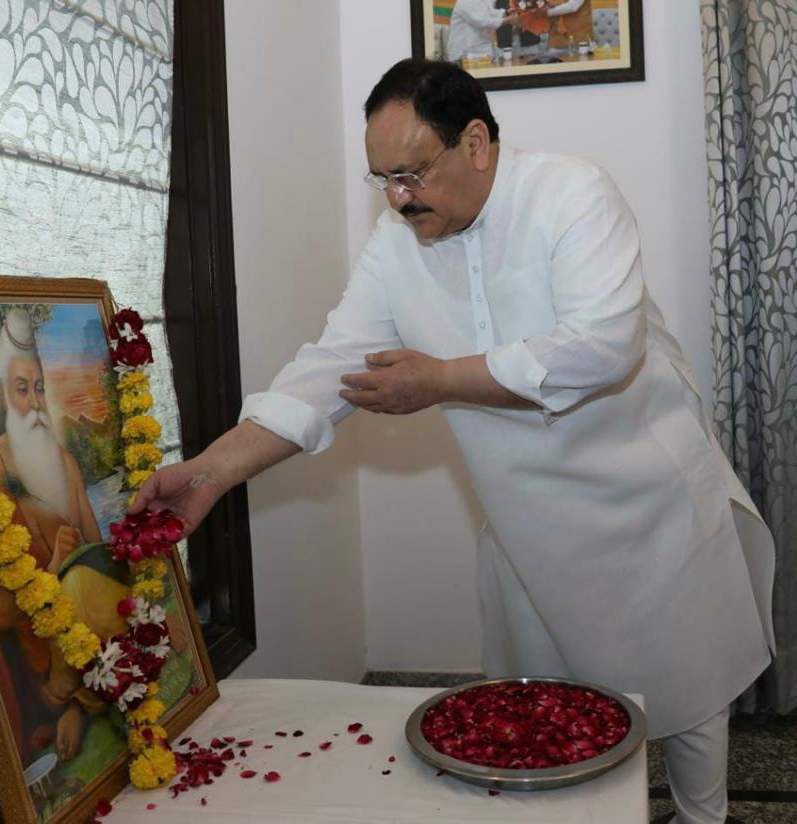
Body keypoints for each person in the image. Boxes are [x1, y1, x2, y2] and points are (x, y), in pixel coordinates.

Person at [130, 60, 775, 824]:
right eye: (383, 180)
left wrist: (439, 380)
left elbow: (603, 348)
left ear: (475, 142)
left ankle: (706, 817)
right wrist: (211, 469)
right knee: (537, 716)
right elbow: (334, 369)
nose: (399, 199)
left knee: (689, 688)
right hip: (527, 520)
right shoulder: (397, 244)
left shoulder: (571, 193)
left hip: (648, 501)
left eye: (410, 173)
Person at [0, 307, 105, 764]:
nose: (37, 403)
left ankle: (84, 704)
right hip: (35, 655)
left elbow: (101, 554)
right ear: (4, 395)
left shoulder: (63, 461)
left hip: (84, 632)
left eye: (40, 388)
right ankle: (71, 707)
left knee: (91, 589)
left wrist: (77, 558)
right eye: (23, 389)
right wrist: (51, 567)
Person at [446, 0, 519, 63]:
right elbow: (480, 22)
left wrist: (506, 13)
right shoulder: (466, 1)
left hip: (481, 52)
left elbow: (490, 12)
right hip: (464, 54)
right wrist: (506, 21)